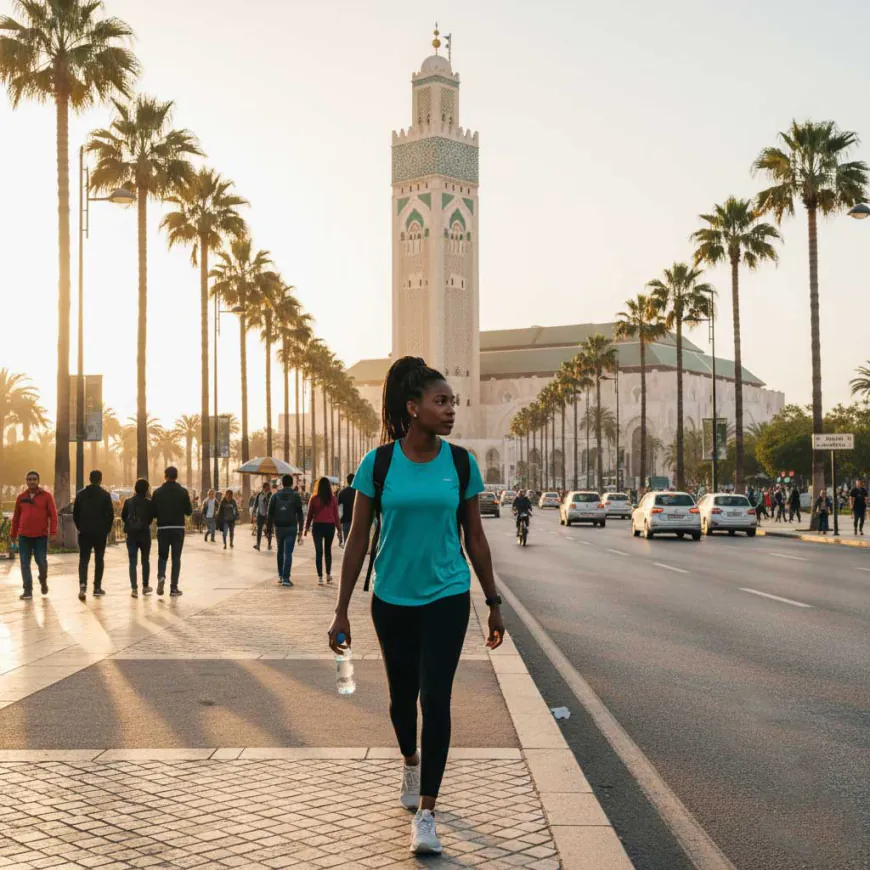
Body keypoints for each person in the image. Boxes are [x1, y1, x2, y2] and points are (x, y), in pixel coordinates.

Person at [328, 356, 504, 856]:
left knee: (437, 699)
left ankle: (427, 813)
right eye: (440, 401)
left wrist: (492, 602)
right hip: (391, 599)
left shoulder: (461, 463)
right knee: (401, 701)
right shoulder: (378, 463)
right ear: (413, 407)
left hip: (447, 596)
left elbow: (476, 537)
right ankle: (410, 758)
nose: (450, 410)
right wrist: (340, 609)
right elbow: (358, 538)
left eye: (453, 402)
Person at [10, 470, 57, 601]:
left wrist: (53, 532)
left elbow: (53, 516)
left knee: (41, 562)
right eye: (29, 479)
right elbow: (16, 517)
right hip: (24, 536)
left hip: (40, 536)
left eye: (34, 479)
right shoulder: (21, 497)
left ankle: (43, 580)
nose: (31, 481)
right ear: (26, 481)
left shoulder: (46, 496)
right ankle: (27, 590)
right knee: (25, 564)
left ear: (38, 481)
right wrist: (13, 534)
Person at [72, 469, 115, 601]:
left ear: (89, 479)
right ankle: (97, 587)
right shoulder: (105, 495)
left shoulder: (80, 495)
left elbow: (75, 514)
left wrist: (80, 527)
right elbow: (110, 515)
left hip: (84, 532)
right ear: (100, 479)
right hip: (100, 533)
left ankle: (82, 585)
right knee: (99, 559)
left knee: (83, 559)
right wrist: (106, 530)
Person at [151, 466, 192, 596]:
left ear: (165, 476)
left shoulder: (157, 492)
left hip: (163, 528)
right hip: (178, 528)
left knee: (162, 556)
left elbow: (154, 512)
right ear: (176, 476)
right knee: (176, 558)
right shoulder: (183, 492)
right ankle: (174, 587)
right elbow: (189, 511)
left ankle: (161, 576)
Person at [267, 474, 304, 586]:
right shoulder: (295, 495)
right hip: (291, 527)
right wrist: (301, 529)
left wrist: (268, 529)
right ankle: (286, 578)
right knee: (288, 553)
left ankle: (280, 575)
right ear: (292, 483)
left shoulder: (275, 496)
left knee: (280, 551)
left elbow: (270, 513)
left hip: (279, 527)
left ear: (281, 483)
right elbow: (300, 513)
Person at [304, 476, 341, 585]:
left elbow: (310, 515)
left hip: (318, 527)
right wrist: (339, 529)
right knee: (328, 551)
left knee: (319, 552)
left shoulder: (314, 498)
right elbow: (336, 515)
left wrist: (306, 528)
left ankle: (320, 577)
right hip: (330, 526)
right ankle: (328, 574)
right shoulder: (333, 498)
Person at [121, 479, 154, 597]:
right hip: (144, 534)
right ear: (146, 489)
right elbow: (150, 519)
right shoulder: (149, 503)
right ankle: (145, 586)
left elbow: (124, 516)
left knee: (132, 561)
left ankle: (134, 589)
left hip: (131, 535)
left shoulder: (128, 502)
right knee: (145, 560)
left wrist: (132, 525)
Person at [252, 480, 272, 550]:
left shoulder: (270, 495)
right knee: (259, 530)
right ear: (264, 488)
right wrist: (254, 512)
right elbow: (255, 504)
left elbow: (271, 504)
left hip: (268, 515)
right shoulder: (259, 494)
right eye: (267, 487)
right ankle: (258, 545)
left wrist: (266, 498)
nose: (268, 489)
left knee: (268, 530)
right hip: (260, 514)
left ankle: (269, 544)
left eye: (269, 488)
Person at [337, 473, 356, 546]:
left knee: (347, 544)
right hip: (357, 522)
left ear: (347, 481)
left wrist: (339, 522)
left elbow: (338, 509)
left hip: (346, 521)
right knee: (356, 545)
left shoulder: (342, 493)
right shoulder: (359, 492)